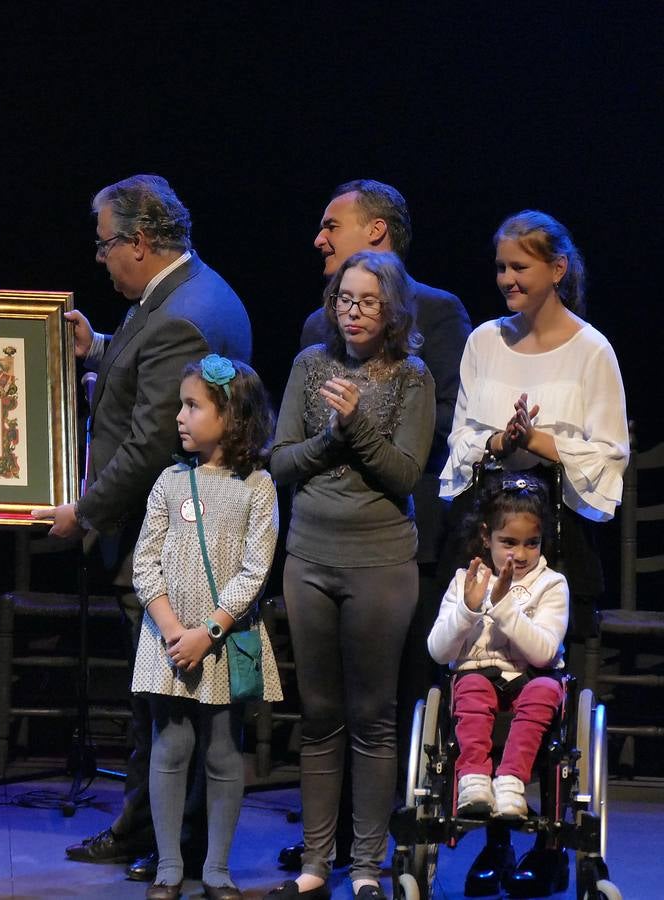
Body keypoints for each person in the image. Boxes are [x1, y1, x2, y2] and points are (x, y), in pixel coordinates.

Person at [35, 174, 252, 875]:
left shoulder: (181, 315)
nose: (99, 259)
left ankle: (175, 847)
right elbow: (149, 378)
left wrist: (84, 513)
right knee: (157, 702)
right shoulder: (184, 297)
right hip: (182, 534)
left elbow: (152, 442)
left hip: (177, 543)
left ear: (140, 241)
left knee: (174, 705)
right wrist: (98, 346)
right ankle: (147, 834)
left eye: (104, 245)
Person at [438, 210, 628, 894]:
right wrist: (497, 441)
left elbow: (609, 456)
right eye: (501, 267)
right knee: (485, 678)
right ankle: (493, 841)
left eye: (521, 266)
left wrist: (540, 441)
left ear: (558, 270)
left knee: (546, 694)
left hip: (559, 539)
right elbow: (459, 441)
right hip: (492, 530)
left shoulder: (591, 352)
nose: (507, 278)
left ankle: (548, 845)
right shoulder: (484, 342)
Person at [269, 250, 435, 900]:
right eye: (344, 299)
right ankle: (316, 862)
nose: (353, 311)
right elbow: (281, 463)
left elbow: (403, 474)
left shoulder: (412, 375)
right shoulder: (309, 366)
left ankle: (367, 865)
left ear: (390, 307)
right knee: (320, 715)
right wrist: (330, 440)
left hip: (381, 563)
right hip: (308, 558)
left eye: (366, 301)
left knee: (373, 716)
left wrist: (356, 424)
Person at [131, 356, 282, 900]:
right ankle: (169, 864)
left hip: (221, 641)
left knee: (222, 749)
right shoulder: (170, 482)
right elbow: (144, 562)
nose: (180, 415)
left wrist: (208, 632)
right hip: (168, 639)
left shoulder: (257, 486)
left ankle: (216, 867)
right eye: (181, 404)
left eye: (193, 406)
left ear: (232, 416)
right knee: (169, 746)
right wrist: (174, 629)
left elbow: (254, 570)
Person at [428, 477, 568, 820]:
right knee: (472, 685)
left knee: (546, 690)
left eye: (531, 544)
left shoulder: (551, 584)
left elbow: (544, 652)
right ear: (486, 536)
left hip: (530, 676)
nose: (520, 555)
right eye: (509, 542)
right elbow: (438, 651)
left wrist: (503, 605)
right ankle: (474, 779)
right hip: (478, 676)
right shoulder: (466, 581)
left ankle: (510, 782)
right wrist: (468, 609)